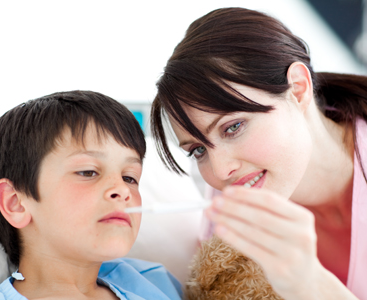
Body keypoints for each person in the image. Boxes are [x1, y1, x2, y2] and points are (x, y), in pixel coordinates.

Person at [150, 7, 367, 300]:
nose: (220, 171)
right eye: (199, 150)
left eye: (233, 127)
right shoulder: (235, 205)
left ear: (298, 88)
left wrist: (312, 286)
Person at [0, 90, 182, 300]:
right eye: (88, 172)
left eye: (129, 177)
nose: (123, 190)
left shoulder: (153, 281)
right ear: (15, 203)